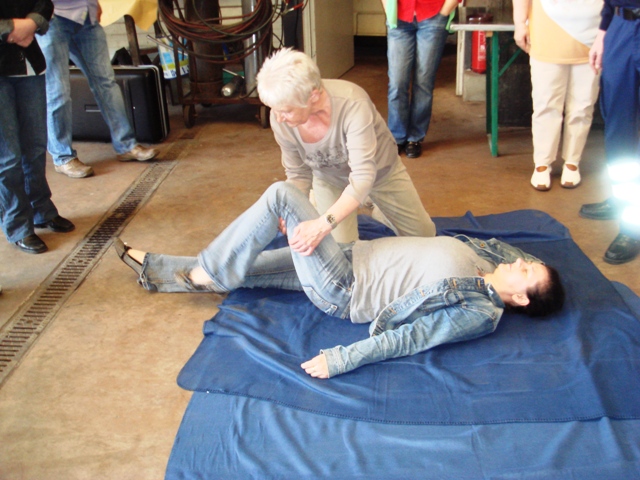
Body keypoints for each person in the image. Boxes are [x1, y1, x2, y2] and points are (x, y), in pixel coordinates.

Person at [113, 181, 565, 378]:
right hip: (346, 256)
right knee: (245, 268)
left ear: (522, 300)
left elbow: (414, 337)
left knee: (282, 196)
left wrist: (344, 358)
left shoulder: (480, 309)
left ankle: (206, 270)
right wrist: (534, 268)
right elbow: (518, 255)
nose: (521, 263)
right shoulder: (487, 258)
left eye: (527, 273)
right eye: (527, 263)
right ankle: (158, 269)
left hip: (343, 287)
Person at [255, 48, 435, 248]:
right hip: (329, 179)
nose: (278, 118)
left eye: (286, 111)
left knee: (426, 239)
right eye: (275, 109)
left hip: (380, 175)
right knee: (341, 250)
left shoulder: (353, 104)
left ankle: (371, 202)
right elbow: (298, 174)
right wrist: (292, 210)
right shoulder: (280, 117)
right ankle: (334, 200)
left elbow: (363, 177)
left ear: (313, 96)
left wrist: (323, 224)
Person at [35, 0, 159, 179]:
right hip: (52, 17)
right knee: (57, 92)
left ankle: (126, 146)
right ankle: (63, 157)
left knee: (106, 83)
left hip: (86, 16)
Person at [0, 0, 75, 255]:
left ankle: (41, 209)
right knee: (8, 157)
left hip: (29, 66)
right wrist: (10, 28)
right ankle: (18, 226)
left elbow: (43, 2)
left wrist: (31, 24)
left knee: (35, 147)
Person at [513, 0, 602, 191]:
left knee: (583, 106)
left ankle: (572, 162)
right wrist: (519, 24)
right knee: (546, 104)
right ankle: (542, 163)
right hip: (546, 35)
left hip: (593, 38)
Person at [579, 1, 640, 264]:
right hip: (620, 26)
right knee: (618, 127)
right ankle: (622, 199)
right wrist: (604, 31)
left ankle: (633, 228)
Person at [382, 0, 459, 159]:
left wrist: (444, 12)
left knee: (424, 81)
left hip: (433, 16)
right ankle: (396, 137)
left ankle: (415, 138)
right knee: (397, 82)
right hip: (399, 17)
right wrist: (389, 11)